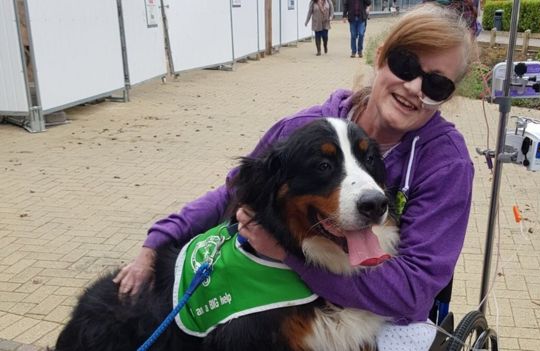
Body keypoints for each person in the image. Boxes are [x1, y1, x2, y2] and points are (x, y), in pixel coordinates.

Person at [114, 3, 477, 349]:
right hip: (282, 294)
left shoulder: (448, 164)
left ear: (447, 96)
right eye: (405, 64)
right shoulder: (300, 129)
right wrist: (156, 244)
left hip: (388, 317)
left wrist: (289, 256)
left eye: (436, 85)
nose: (414, 87)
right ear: (380, 57)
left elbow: (413, 289)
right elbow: (233, 191)